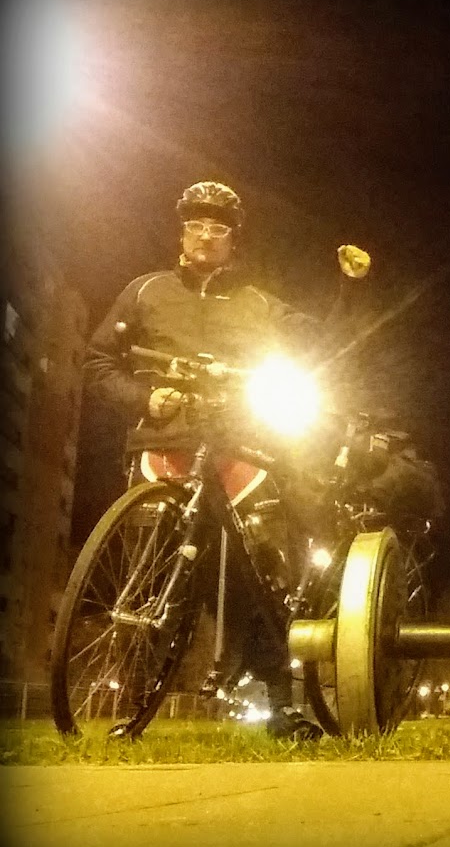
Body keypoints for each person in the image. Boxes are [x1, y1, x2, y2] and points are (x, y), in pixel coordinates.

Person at [83, 180, 326, 741]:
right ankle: (134, 702)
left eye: (219, 227)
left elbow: (317, 337)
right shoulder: (145, 291)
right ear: (182, 232)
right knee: (151, 580)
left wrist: (347, 294)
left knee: (259, 578)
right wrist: (145, 398)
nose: (206, 235)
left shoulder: (257, 302)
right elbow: (98, 363)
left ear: (233, 240)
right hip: (162, 451)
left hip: (241, 453)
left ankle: (281, 703)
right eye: (196, 224)